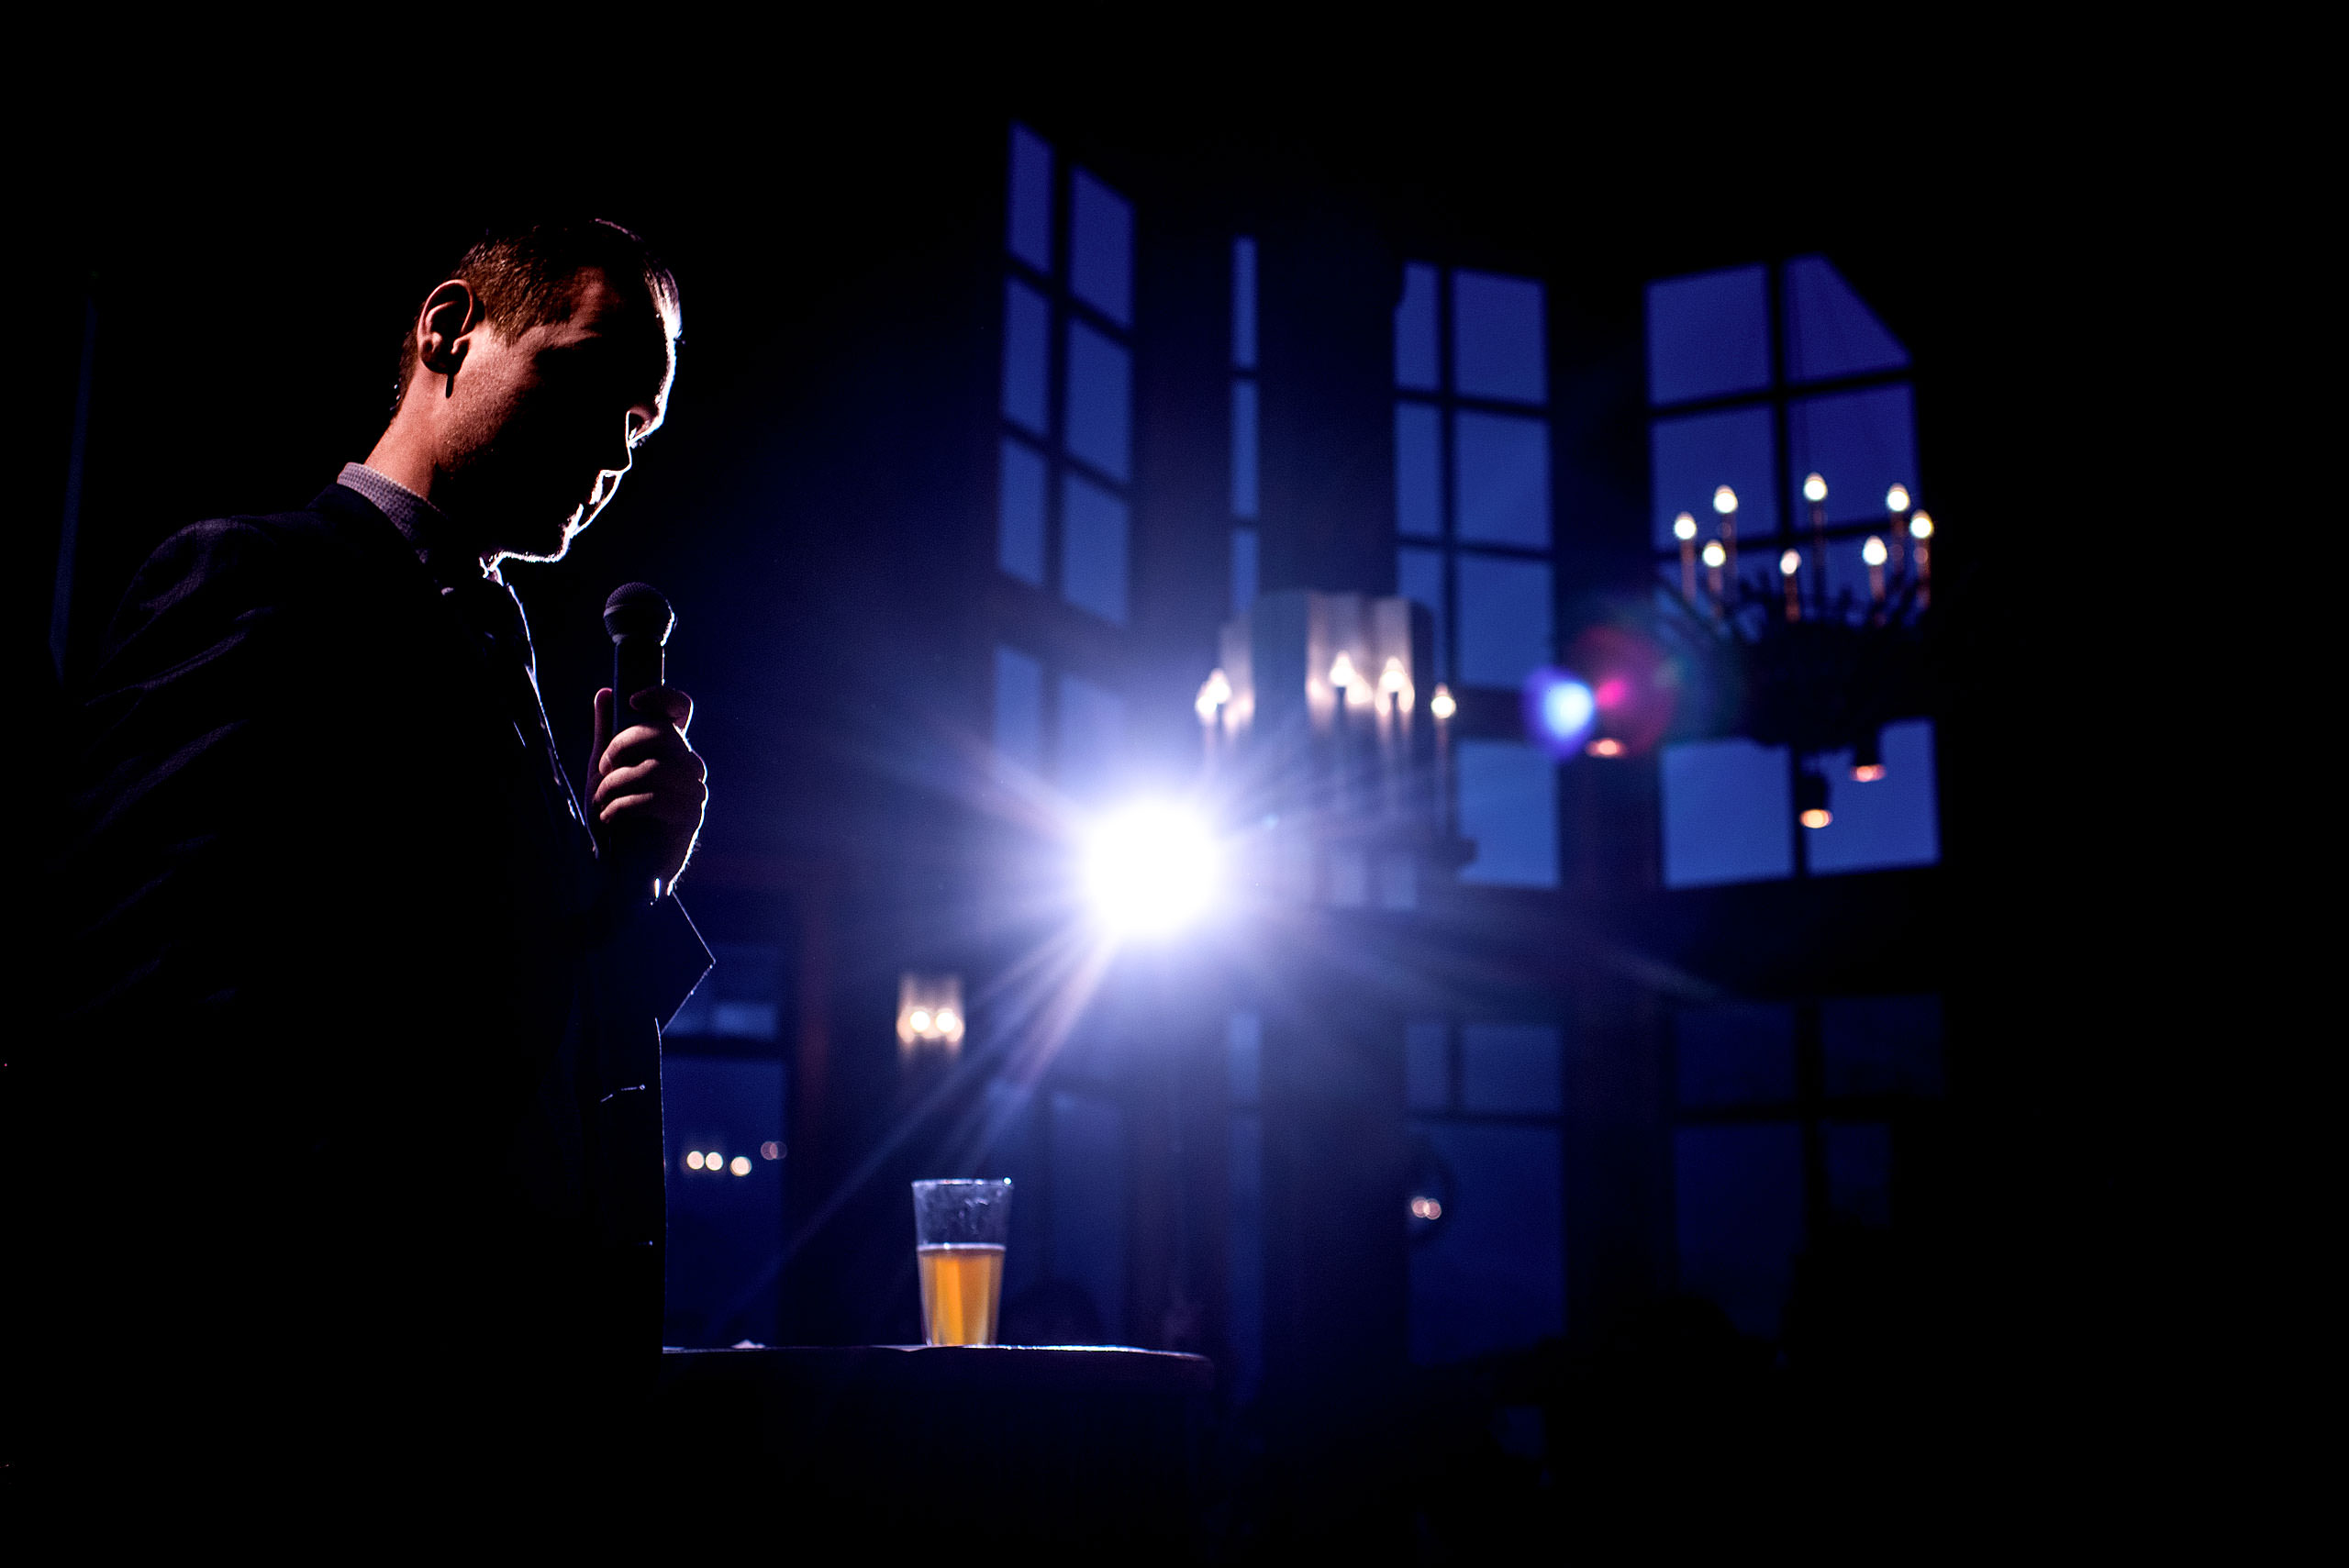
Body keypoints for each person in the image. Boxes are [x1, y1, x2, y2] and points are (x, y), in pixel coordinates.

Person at [37, 220, 711, 1503]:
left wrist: (633, 881)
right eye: (588, 381)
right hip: (306, 1425)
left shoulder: (500, 667)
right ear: (448, 329)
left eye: (641, 423)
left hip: (495, 1430)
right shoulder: (257, 584)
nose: (617, 451)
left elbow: (535, 1047)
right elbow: (140, 1026)